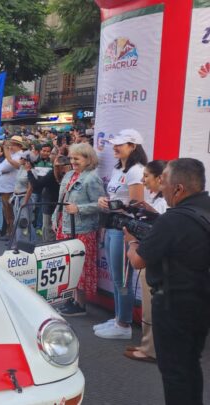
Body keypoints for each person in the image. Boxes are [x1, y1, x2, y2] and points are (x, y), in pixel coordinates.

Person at [124, 158, 210, 405]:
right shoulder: (203, 208)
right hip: (201, 300)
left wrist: (131, 240)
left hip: (173, 304)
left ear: (179, 188)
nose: (160, 188)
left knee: (174, 372)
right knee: (190, 365)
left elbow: (138, 260)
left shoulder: (173, 220)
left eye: (164, 182)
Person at [97, 128, 147, 340]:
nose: (115, 147)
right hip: (112, 224)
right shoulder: (119, 169)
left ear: (133, 147)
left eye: (121, 144)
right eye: (114, 143)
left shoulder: (137, 170)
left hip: (125, 229)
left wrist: (114, 204)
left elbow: (138, 205)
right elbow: (116, 198)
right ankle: (119, 317)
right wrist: (104, 202)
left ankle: (124, 324)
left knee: (122, 279)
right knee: (118, 277)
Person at [52, 144, 105, 316]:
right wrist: (55, 218)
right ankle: (71, 299)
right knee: (68, 266)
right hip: (65, 226)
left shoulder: (92, 179)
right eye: (72, 158)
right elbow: (61, 200)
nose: (73, 162)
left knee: (79, 268)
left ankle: (80, 304)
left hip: (82, 229)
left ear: (88, 159)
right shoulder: (68, 175)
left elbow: (101, 205)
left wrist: (79, 209)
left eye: (77, 159)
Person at [124, 160, 167, 363]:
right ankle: (147, 345)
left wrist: (133, 241)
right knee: (149, 305)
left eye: (147, 176)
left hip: (152, 259)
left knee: (152, 305)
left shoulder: (167, 203)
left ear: (160, 178)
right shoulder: (160, 201)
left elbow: (164, 229)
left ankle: (151, 350)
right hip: (150, 257)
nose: (143, 181)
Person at [27, 155, 71, 241]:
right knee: (58, 229)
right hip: (62, 205)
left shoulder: (52, 174)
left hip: (50, 205)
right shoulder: (69, 175)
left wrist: (29, 172)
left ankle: (48, 247)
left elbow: (36, 185)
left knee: (48, 229)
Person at [0, 136, 25, 241]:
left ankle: (12, 235)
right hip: (5, 188)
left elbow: (4, 168)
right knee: (7, 213)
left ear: (18, 145)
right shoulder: (12, 156)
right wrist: (1, 169)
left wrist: (2, 168)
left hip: (10, 188)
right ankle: (10, 233)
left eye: (12, 144)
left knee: (10, 213)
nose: (9, 147)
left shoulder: (19, 156)